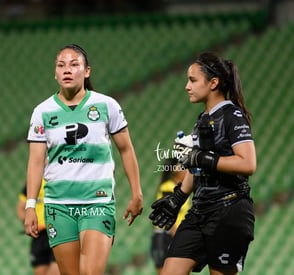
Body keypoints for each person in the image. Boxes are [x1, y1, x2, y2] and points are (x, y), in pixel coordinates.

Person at [24, 43, 143, 275]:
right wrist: (31, 205)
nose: (67, 70)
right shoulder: (42, 112)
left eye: (74, 64)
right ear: (55, 73)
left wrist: (136, 192)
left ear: (87, 71)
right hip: (59, 205)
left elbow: (126, 150)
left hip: (97, 203)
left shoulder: (107, 105)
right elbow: (36, 161)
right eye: (61, 65)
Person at [149, 52, 256, 275]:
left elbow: (248, 164)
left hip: (229, 210)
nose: (187, 86)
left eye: (193, 80)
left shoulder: (232, 116)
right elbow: (196, 166)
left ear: (213, 83)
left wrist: (204, 158)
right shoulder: (202, 119)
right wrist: (177, 199)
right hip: (199, 212)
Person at [151, 158, 190, 274]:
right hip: (165, 236)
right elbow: (167, 212)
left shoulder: (183, 190)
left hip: (175, 236)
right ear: (177, 171)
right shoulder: (169, 187)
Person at [17, 179, 60, 275]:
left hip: (59, 233)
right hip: (39, 236)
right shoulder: (33, 183)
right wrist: (30, 223)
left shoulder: (61, 179)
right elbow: (20, 208)